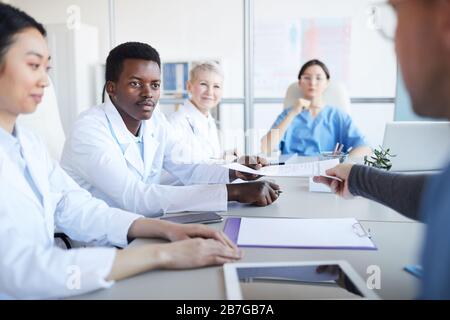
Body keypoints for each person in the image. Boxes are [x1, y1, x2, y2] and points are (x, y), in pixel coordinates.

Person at [0, 3, 241, 299]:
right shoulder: (89, 128)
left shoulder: (27, 143)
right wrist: (160, 255)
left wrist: (164, 230)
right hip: (80, 263)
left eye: (47, 68)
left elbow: (75, 206)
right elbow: (22, 273)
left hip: (82, 267)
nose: (45, 80)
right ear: (112, 88)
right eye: (33, 65)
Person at [314, 0, 450, 299]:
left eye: (397, 15)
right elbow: (437, 193)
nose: (395, 48)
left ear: (445, 18)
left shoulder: (336, 115)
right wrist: (359, 178)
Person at [61, 42, 280, 217]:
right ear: (112, 88)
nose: (148, 93)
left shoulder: (155, 121)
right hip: (100, 242)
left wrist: (235, 171)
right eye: (136, 84)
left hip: (145, 226)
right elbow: (135, 197)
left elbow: (189, 168)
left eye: (155, 85)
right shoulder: (88, 130)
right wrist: (233, 192)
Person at [261, 59, 371, 158]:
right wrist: (293, 113)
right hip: (292, 171)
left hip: (326, 173)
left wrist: (343, 164)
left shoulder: (337, 116)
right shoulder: (288, 114)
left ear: (327, 83)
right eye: (307, 78)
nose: (312, 83)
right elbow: (265, 148)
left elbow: (364, 147)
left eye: (318, 78)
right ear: (299, 82)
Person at [168, 61, 235, 163]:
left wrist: (225, 155)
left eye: (216, 86)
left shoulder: (207, 119)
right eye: (203, 84)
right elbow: (183, 166)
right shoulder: (176, 122)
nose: (210, 92)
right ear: (189, 87)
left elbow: (206, 156)